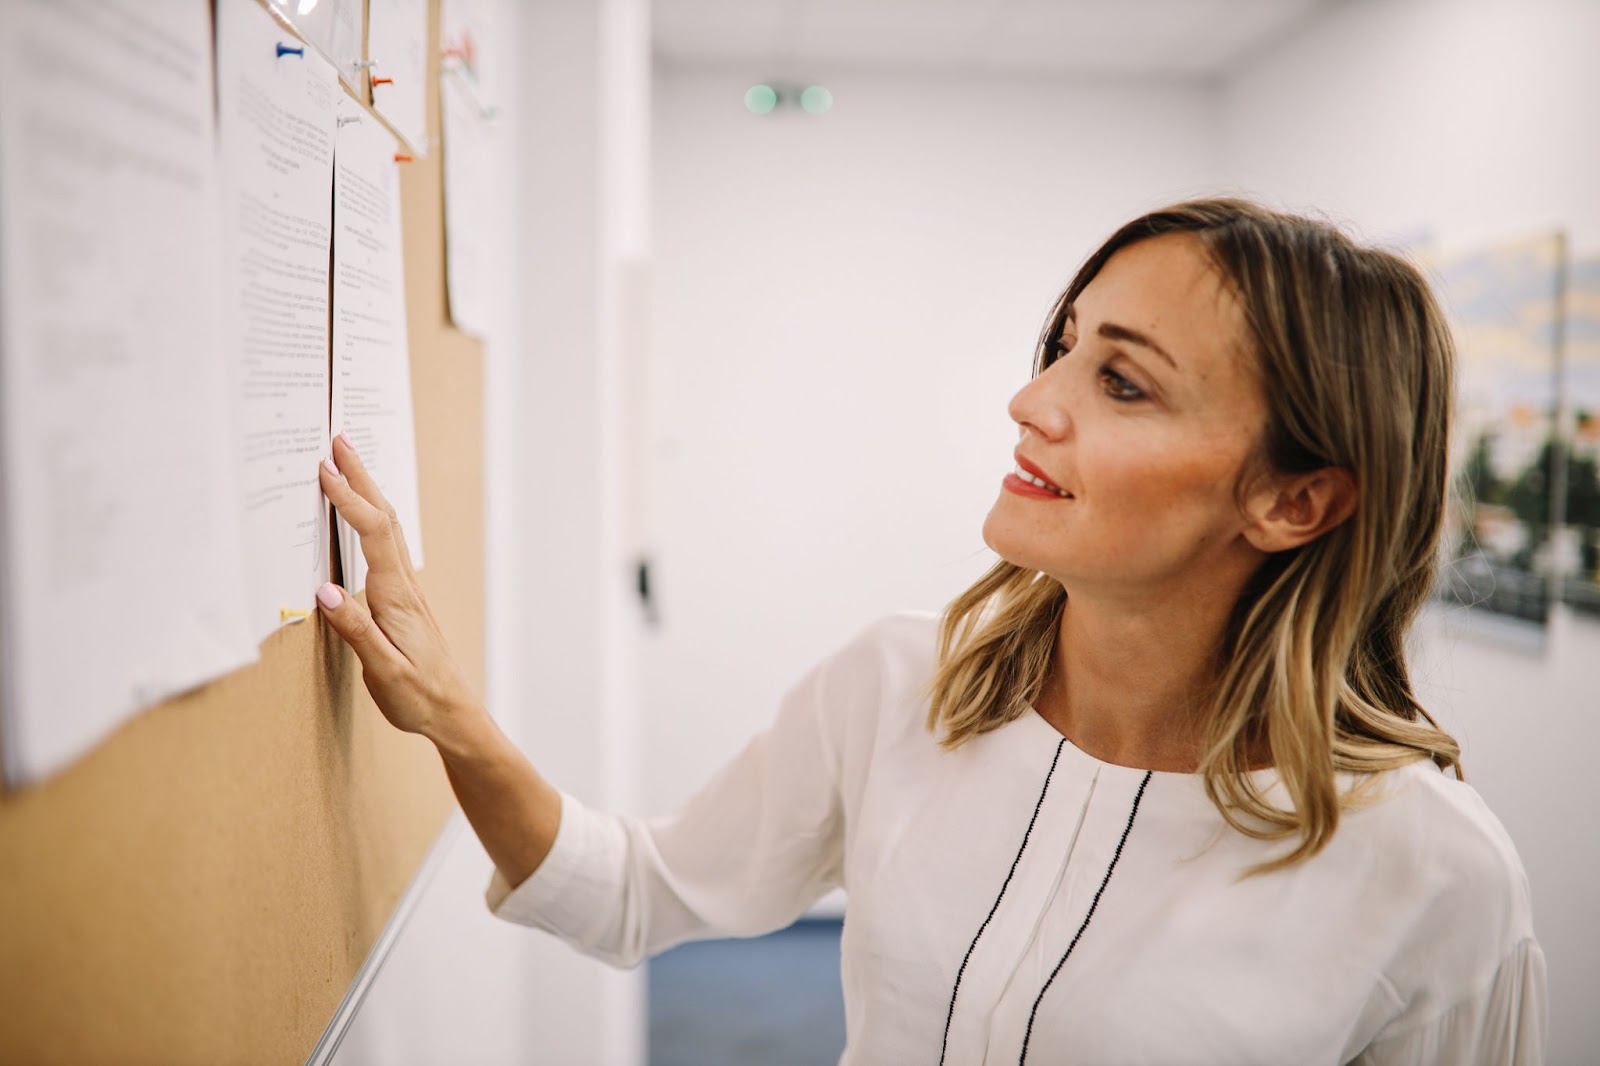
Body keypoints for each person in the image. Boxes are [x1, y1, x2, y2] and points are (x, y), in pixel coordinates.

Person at [313, 198, 1545, 1064]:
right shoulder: (905, 684)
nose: (1031, 399)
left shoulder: (1433, 871)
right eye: (1064, 346)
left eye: (1120, 381)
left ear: (1292, 500)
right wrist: (452, 714)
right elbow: (638, 893)